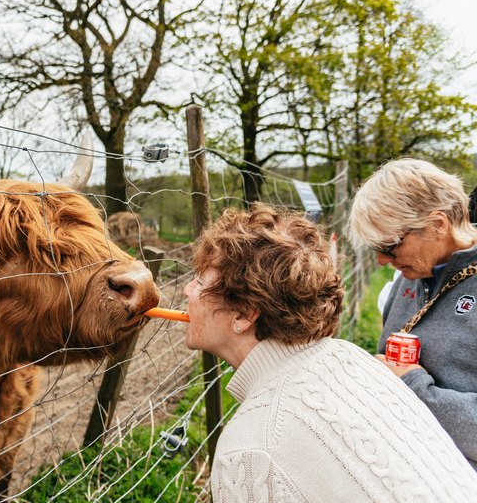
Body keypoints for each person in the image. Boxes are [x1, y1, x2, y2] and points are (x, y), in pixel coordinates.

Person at [184, 205, 477, 502]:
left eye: (200, 282)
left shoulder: (248, 450)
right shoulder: (354, 359)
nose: (186, 290)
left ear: (245, 315)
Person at [349, 159, 477, 470]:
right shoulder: (407, 281)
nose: (381, 260)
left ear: (438, 224)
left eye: (390, 245)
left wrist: (413, 387)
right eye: (375, 248)